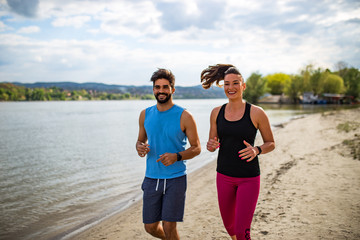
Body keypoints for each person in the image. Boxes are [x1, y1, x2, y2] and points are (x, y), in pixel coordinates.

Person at [201, 64, 275, 240]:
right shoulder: (216, 113)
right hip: (224, 176)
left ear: (243, 86)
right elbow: (212, 144)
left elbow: (271, 143)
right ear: (223, 86)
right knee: (230, 227)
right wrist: (211, 145)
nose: (231, 88)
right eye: (227, 84)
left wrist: (257, 150)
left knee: (243, 232)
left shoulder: (257, 113)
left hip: (248, 177)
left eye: (235, 83)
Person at [136, 68, 201, 240]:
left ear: (173, 89)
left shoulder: (185, 115)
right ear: (153, 90)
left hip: (176, 178)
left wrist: (176, 156)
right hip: (151, 178)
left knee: (169, 226)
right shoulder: (145, 114)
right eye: (157, 87)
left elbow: (196, 148)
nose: (161, 91)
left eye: (165, 87)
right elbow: (140, 141)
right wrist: (140, 147)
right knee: (150, 227)